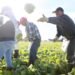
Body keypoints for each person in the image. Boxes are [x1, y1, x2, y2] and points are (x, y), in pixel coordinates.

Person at [38, 7, 75, 72]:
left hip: (74, 37)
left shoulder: (65, 17)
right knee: (69, 52)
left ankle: (71, 69)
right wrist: (55, 38)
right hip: (68, 39)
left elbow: (58, 20)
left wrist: (47, 19)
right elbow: (59, 32)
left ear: (62, 12)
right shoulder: (58, 23)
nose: (56, 14)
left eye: (57, 12)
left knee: (70, 52)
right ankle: (73, 63)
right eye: (55, 13)